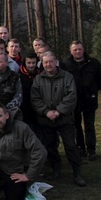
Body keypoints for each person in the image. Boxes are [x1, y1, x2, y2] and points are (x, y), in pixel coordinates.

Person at [31, 51, 86, 186]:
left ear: (56, 62)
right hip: (46, 119)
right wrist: (46, 112)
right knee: (50, 146)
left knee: (70, 145)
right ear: (42, 64)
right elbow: (35, 98)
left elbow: (71, 97)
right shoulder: (38, 79)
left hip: (64, 119)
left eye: (51, 62)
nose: (48, 64)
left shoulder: (67, 77)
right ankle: (56, 170)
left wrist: (59, 111)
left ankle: (77, 172)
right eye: (45, 62)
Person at [63, 41, 101, 160]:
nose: (77, 51)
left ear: (84, 49)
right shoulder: (66, 64)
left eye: (79, 49)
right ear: (71, 51)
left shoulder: (93, 63)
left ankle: (91, 150)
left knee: (89, 125)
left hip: (89, 99)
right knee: (76, 125)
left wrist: (93, 89)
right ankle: (80, 147)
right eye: (75, 49)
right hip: (73, 100)